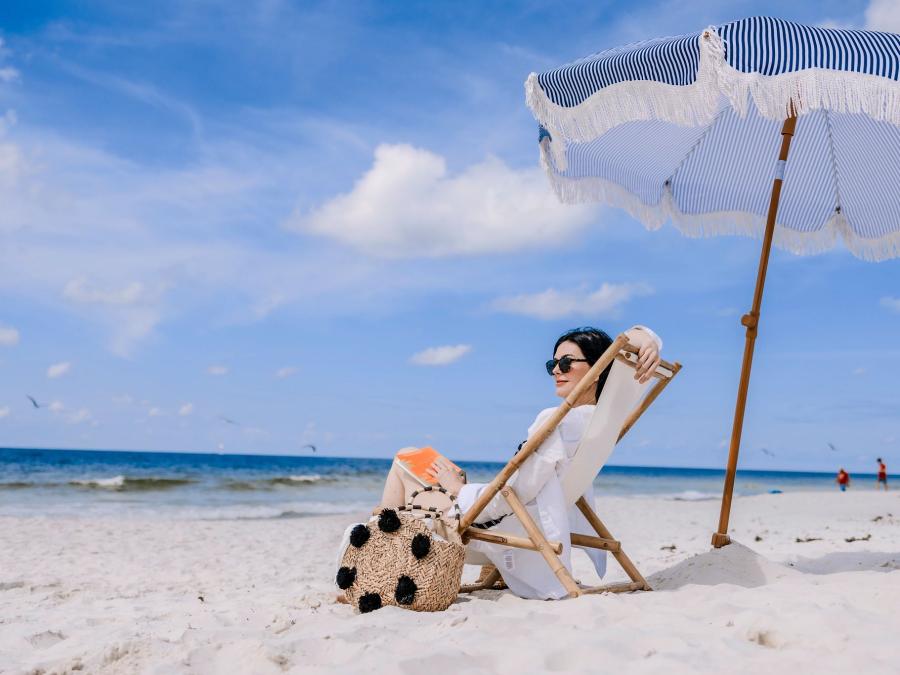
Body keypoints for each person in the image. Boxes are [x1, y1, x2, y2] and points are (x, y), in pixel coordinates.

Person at [373, 324, 662, 599]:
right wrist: (646, 340)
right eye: (552, 365)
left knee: (404, 458)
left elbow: (515, 495)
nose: (556, 372)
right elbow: (527, 487)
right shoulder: (601, 421)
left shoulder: (556, 420)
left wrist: (459, 491)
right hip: (524, 514)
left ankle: (374, 561)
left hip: (502, 521)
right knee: (420, 458)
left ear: (598, 369)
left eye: (566, 363)